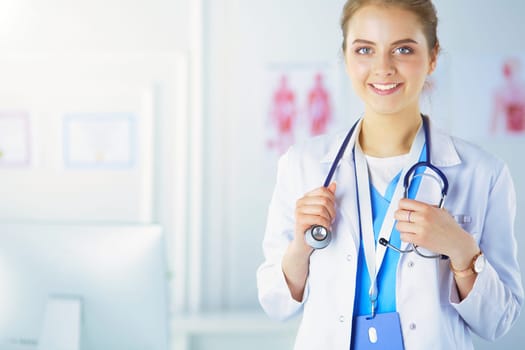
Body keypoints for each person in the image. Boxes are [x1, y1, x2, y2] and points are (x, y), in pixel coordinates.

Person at [256, 1, 524, 349]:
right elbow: (275, 304)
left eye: (403, 49)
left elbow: (499, 321)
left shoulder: (483, 173)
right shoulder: (303, 165)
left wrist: (461, 250)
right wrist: (300, 248)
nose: (383, 68)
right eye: (365, 49)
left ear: (432, 57)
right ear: (346, 58)